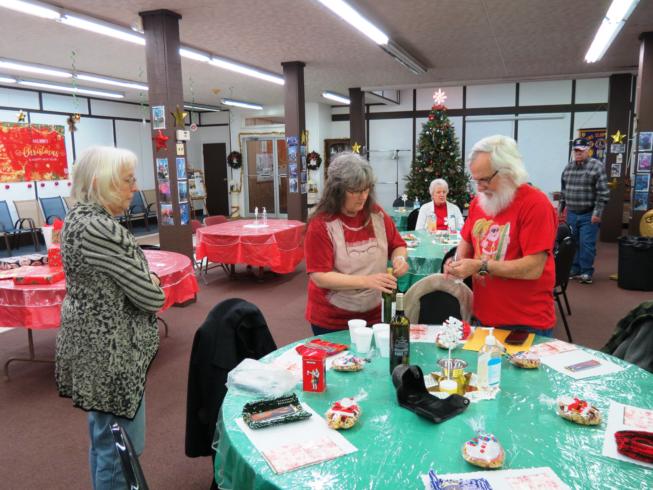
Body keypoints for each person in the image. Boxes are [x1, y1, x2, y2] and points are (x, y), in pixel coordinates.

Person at [55, 146, 165, 490]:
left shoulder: (77, 219)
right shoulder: (99, 228)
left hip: (94, 349)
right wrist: (153, 281)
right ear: (100, 182)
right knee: (120, 452)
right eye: (127, 180)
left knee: (105, 442)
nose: (135, 188)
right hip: (112, 355)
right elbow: (151, 297)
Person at [445, 135, 557, 336]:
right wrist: (456, 262)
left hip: (525, 322)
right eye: (476, 180)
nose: (479, 188)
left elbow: (533, 268)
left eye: (485, 180)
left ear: (509, 171)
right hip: (483, 316)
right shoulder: (479, 202)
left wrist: (480, 266)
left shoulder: (536, 204)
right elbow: (467, 241)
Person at [304, 152, 409, 335]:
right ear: (337, 191)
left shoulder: (376, 214)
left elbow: (397, 245)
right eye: (355, 191)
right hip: (333, 320)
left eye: (366, 189)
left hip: (376, 315)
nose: (363, 196)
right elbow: (320, 276)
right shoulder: (321, 224)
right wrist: (367, 281)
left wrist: (400, 259)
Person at [558, 137, 609, 284]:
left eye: (581, 150)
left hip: (589, 213)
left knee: (587, 244)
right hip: (572, 213)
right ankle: (574, 268)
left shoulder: (596, 167)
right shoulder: (568, 168)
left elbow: (603, 193)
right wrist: (561, 208)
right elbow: (564, 190)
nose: (578, 153)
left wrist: (597, 213)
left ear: (588, 150)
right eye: (576, 150)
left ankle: (586, 271)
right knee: (572, 242)